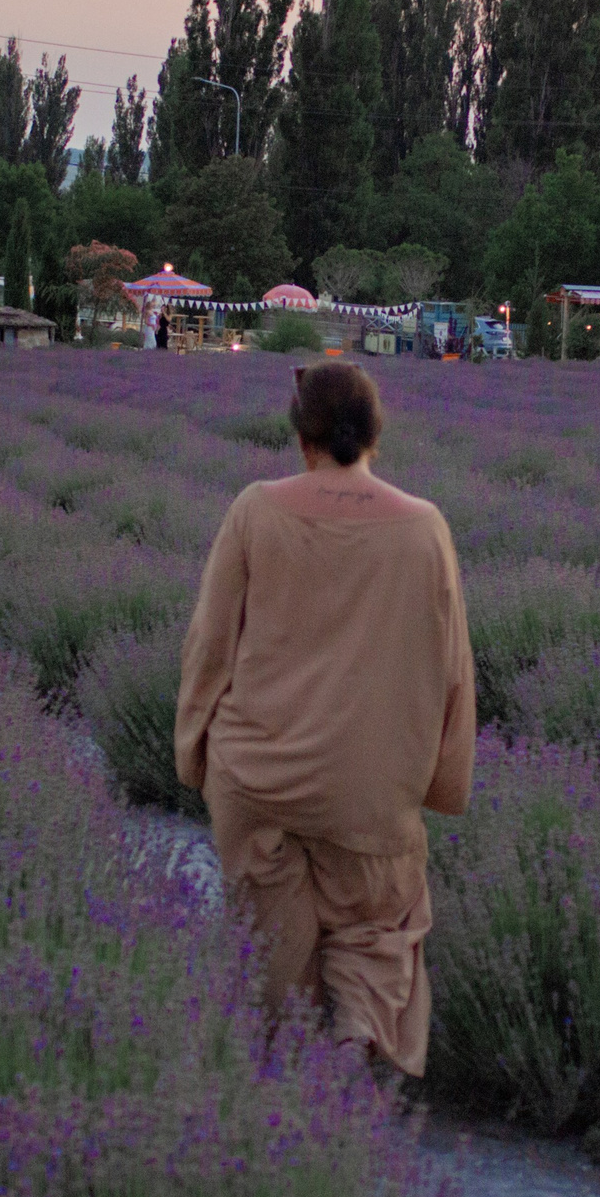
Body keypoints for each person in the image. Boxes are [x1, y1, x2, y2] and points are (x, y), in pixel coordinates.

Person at [175, 363, 475, 1084]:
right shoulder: (423, 526)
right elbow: (453, 669)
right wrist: (441, 781)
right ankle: (351, 1043)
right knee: (378, 925)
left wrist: (197, 758)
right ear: (376, 432)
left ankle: (283, 1076)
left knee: (271, 944)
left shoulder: (256, 508)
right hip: (368, 788)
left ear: (301, 434)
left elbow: (210, 645)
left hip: (259, 781)